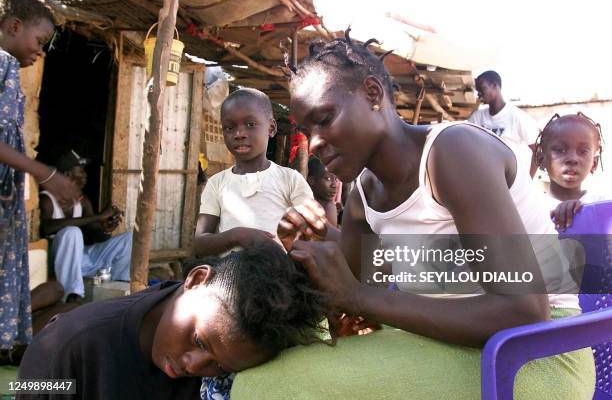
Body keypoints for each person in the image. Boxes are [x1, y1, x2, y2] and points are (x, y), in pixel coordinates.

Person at [230, 31, 595, 399]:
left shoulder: (453, 153)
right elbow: (353, 285)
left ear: (373, 95)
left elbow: (524, 312)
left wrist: (357, 297)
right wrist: (316, 238)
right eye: (307, 131)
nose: (316, 142)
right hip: (450, 342)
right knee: (278, 363)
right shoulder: (363, 196)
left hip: (538, 355)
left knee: (264, 386)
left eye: (324, 118)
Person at [17, 244, 328, 400]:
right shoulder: (63, 347)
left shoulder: (233, 359)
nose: (194, 366)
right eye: (198, 341)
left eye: (220, 367)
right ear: (196, 279)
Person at [0, 0, 81, 360]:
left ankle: (9, 342)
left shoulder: (10, 73)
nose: (41, 51)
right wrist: (46, 175)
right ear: (14, 27)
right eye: (39, 41)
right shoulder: (1, 63)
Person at [193, 88, 313, 257]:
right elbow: (200, 243)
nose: (239, 134)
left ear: (271, 128)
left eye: (250, 125)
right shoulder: (216, 183)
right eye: (229, 127)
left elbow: (311, 235)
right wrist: (238, 236)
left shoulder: (291, 180)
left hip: (278, 276)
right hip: (229, 277)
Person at [40, 149, 132, 302]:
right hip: (59, 263)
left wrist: (106, 229)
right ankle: (72, 294)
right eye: (81, 171)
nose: (85, 175)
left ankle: (120, 285)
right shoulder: (47, 199)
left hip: (82, 260)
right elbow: (46, 227)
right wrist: (97, 217)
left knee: (129, 238)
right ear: (68, 174)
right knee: (72, 232)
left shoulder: (83, 202)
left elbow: (97, 235)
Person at [535, 112, 607, 231]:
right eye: (560, 150)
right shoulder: (532, 207)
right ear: (541, 158)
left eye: (583, 151)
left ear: (594, 163)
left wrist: (584, 213)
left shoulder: (601, 203)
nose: (572, 159)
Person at [468, 70, 540, 177]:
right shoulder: (477, 118)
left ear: (495, 86)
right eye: (478, 91)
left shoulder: (517, 117)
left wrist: (529, 179)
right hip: (485, 180)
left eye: (482, 88)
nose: (479, 94)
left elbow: (537, 151)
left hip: (512, 182)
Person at [307, 156, 338, 227]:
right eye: (328, 179)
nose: (334, 185)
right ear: (312, 180)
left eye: (336, 179)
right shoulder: (304, 201)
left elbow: (329, 236)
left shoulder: (329, 207)